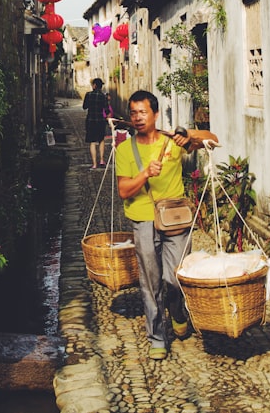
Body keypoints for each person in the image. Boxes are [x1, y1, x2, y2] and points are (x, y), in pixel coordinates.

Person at [115, 90, 197, 360]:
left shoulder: (172, 143)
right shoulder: (125, 149)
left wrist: (188, 136)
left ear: (155, 114)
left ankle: (177, 310)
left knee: (175, 278)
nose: (137, 118)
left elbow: (211, 141)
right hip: (143, 220)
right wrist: (145, 173)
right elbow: (125, 190)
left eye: (143, 112)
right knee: (151, 282)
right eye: (133, 113)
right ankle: (157, 338)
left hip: (175, 219)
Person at [82, 78, 110, 170]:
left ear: (94, 85)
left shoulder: (88, 95)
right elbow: (107, 110)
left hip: (90, 120)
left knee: (92, 142)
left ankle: (94, 163)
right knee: (101, 140)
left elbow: (84, 107)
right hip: (100, 121)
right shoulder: (103, 96)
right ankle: (102, 160)